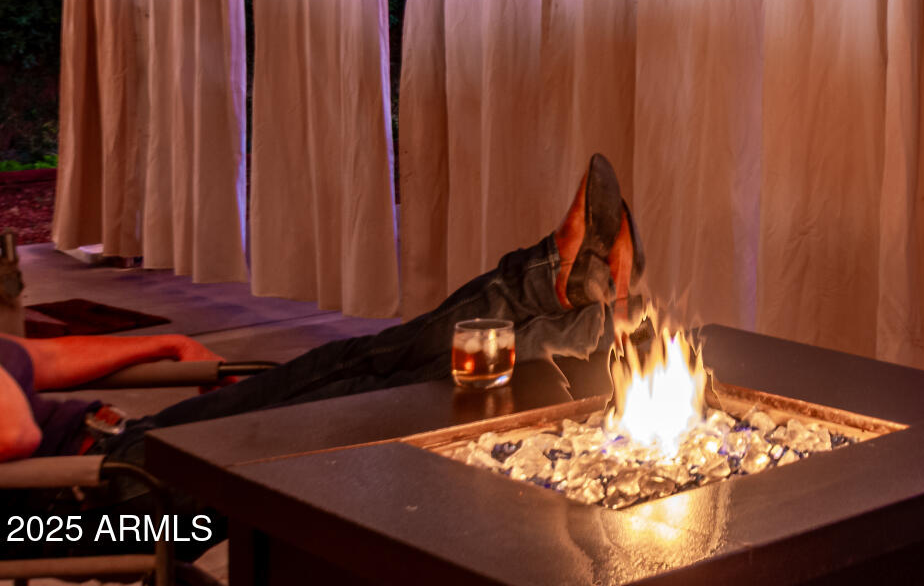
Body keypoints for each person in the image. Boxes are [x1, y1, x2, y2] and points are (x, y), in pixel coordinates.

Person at [0, 155, 642, 540]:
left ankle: (558, 289)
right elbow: (14, 435)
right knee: (368, 402)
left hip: (121, 448)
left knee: (350, 360)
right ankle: (565, 317)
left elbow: (35, 360)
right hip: (94, 505)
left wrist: (163, 341)